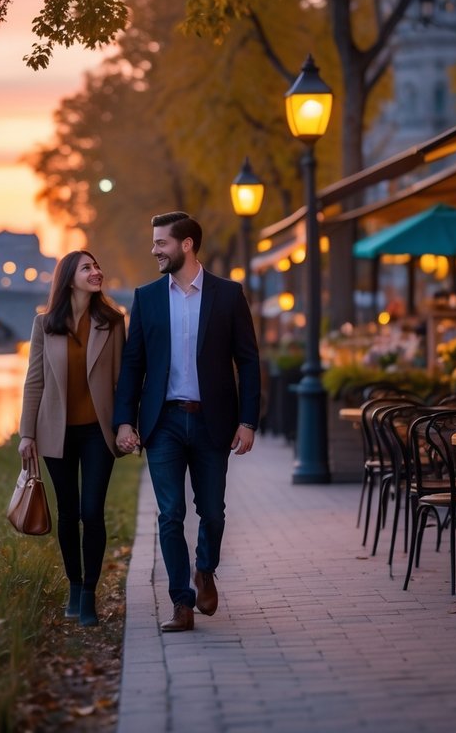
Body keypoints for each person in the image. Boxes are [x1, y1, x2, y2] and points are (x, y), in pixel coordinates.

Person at [114, 211, 260, 632]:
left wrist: (247, 421)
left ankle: (205, 569)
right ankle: (181, 602)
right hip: (163, 424)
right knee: (170, 514)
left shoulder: (228, 295)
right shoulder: (147, 297)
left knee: (212, 511)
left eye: (161, 242)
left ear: (187, 245)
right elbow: (132, 365)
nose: (154, 249)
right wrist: (125, 421)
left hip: (214, 422)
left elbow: (248, 363)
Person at [19, 250, 127, 626]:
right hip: (56, 432)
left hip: (99, 430)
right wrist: (26, 433)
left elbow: (122, 379)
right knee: (67, 513)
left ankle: (90, 595)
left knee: (92, 512)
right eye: (87, 268)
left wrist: (128, 423)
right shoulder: (45, 324)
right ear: (68, 278)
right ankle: (74, 585)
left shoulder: (113, 322)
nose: (96, 271)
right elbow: (35, 380)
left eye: (97, 266)